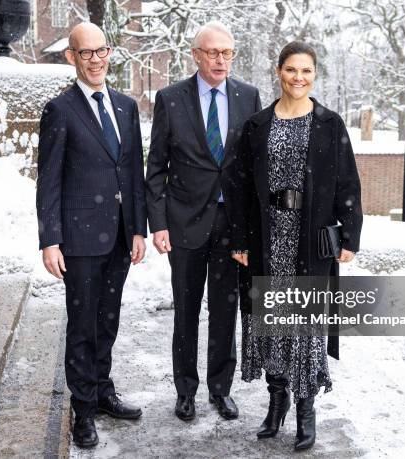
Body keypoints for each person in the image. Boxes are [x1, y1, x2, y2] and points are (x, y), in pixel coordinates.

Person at [227, 41, 362, 451]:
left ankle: (306, 410)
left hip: (311, 239)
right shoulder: (257, 126)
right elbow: (239, 188)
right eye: (291, 70)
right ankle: (277, 401)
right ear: (278, 71)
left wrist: (350, 235)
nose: (298, 78)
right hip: (268, 238)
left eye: (306, 71)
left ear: (314, 75)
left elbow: (347, 184)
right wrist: (239, 238)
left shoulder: (330, 124)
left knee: (304, 328)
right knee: (272, 324)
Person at [36, 22, 147, 449]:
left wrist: (137, 228)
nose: (97, 59)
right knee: (83, 324)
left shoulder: (125, 106)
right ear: (72, 57)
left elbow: (132, 171)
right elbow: (49, 180)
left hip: (119, 236)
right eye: (87, 53)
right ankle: (82, 409)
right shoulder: (60, 110)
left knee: (108, 319)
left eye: (102, 50)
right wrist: (49, 239)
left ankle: (102, 391)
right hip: (79, 239)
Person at [145, 21, 262, 421]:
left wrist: (254, 228)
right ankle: (186, 391)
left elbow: (252, 166)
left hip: (232, 229)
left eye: (227, 52)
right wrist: (158, 224)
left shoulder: (249, 97)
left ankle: (220, 389)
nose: (220, 59)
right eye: (212, 52)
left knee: (225, 311)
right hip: (184, 224)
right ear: (195, 55)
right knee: (187, 312)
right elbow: (156, 167)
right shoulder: (170, 98)